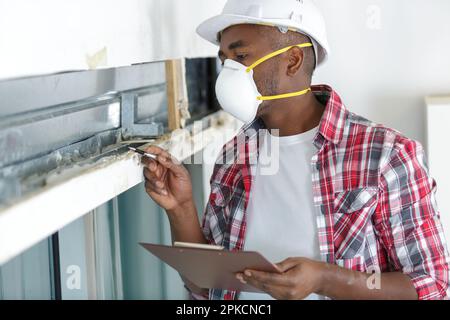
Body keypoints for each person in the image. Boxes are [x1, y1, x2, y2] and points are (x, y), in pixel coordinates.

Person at [142, 0, 449, 300]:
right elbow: (207, 288)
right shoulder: (233, 156)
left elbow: (431, 285)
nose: (229, 72)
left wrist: (327, 279)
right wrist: (180, 208)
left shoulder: (385, 155)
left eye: (242, 56)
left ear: (292, 61)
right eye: (225, 61)